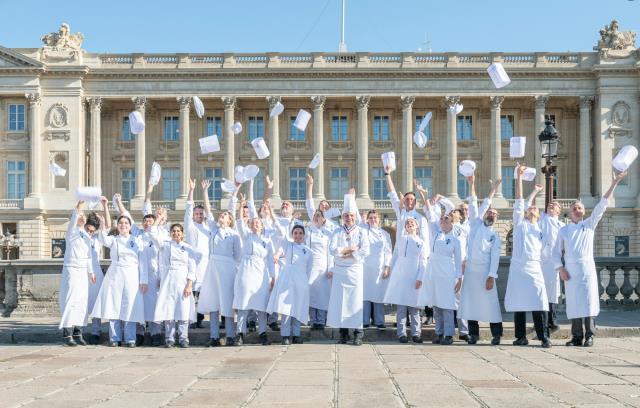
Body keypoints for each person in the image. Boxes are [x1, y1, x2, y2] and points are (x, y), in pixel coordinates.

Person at [555, 170, 628, 347]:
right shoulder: (563, 231)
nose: (577, 210)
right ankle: (576, 336)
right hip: (571, 270)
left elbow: (602, 204)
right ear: (570, 212)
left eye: (580, 208)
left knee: (588, 301)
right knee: (574, 303)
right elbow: (556, 253)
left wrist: (614, 183)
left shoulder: (589, 224)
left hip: (586, 268)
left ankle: (589, 335)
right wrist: (561, 268)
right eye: (574, 208)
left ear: (584, 211)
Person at [504, 165, 551, 348]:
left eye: (535, 209)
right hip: (518, 266)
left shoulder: (540, 229)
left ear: (538, 215)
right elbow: (519, 201)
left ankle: (543, 336)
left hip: (534, 266)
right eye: (529, 208)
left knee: (539, 302)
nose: (531, 209)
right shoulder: (519, 225)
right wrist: (519, 179)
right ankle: (520, 336)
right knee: (519, 303)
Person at [458, 175, 504, 345]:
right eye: (490, 212)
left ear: (496, 219)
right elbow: (477, 202)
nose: (491, 214)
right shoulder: (475, 224)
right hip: (471, 271)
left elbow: (495, 258)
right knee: (470, 304)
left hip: (485, 272)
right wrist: (473, 184)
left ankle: (497, 334)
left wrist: (491, 276)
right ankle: (474, 334)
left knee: (491, 305)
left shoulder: (495, 236)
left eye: (494, 214)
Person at [90, 210, 146, 347]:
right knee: (113, 305)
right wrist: (103, 224)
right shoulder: (114, 240)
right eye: (120, 223)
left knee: (130, 305)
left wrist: (144, 280)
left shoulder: (137, 240)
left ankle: (130, 338)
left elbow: (143, 262)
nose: (123, 225)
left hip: (132, 274)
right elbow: (103, 239)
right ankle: (114, 337)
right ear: (117, 226)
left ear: (130, 225)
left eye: (126, 223)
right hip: (115, 274)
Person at [197, 180, 241, 347]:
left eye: (225, 215)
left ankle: (230, 335)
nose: (221, 216)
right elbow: (208, 212)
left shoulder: (234, 235)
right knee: (214, 302)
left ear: (229, 220)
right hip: (214, 267)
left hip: (228, 268)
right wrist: (205, 192)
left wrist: (235, 192)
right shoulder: (214, 230)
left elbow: (237, 256)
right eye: (221, 215)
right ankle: (214, 336)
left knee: (228, 302)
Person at [233, 178, 277, 346]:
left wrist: (273, 277)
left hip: (261, 273)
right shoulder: (246, 236)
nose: (256, 224)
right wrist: (241, 205)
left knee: (261, 305)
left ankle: (263, 332)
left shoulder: (267, 240)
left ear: (262, 225)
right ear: (250, 225)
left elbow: (271, 261)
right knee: (243, 303)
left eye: (258, 222)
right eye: (253, 223)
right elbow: (238, 223)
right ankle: (240, 333)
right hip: (246, 270)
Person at [149, 209, 201, 348]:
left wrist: (189, 284)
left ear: (182, 234)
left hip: (183, 280)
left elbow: (192, 267)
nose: (176, 233)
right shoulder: (165, 245)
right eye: (174, 231)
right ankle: (170, 337)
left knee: (183, 309)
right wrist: (159, 219)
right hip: (168, 280)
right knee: (169, 309)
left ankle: (183, 337)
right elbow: (152, 233)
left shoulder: (188, 248)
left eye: (179, 231)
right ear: (170, 233)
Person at [418, 190, 463, 345]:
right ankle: (439, 332)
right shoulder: (436, 234)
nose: (442, 221)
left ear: (451, 222)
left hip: (448, 274)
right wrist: (424, 196)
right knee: (436, 305)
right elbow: (430, 214)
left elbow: (458, 261)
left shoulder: (455, 240)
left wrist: (459, 279)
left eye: (446, 219)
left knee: (448, 305)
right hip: (434, 273)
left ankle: (449, 334)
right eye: (442, 220)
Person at [327, 192, 370, 345]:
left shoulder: (361, 231)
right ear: (342, 217)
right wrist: (349, 249)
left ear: (355, 216)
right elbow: (332, 249)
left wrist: (349, 252)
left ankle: (358, 333)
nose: (349, 218)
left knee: (355, 301)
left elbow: (365, 250)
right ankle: (343, 333)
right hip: (340, 270)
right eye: (346, 215)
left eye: (351, 215)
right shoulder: (337, 231)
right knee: (340, 302)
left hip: (355, 270)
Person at [59, 200, 101, 346]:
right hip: (71, 268)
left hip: (83, 271)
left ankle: (78, 332)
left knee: (82, 302)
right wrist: (79, 208)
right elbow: (73, 221)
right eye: (88, 229)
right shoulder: (72, 233)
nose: (90, 232)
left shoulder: (86, 237)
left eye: (92, 230)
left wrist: (91, 272)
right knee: (70, 299)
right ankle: (67, 333)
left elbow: (88, 256)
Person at [526, 187, 565, 332]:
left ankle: (552, 321)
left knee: (552, 293)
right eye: (550, 204)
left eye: (554, 205)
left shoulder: (562, 226)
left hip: (554, 263)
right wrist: (535, 191)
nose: (551, 205)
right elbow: (529, 208)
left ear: (559, 211)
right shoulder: (541, 219)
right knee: (539, 291)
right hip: (540, 261)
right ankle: (542, 322)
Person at [268, 225, 313, 345]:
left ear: (304, 235)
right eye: (295, 233)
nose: (298, 235)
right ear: (292, 235)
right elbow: (280, 231)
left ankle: (297, 334)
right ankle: (285, 335)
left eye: (300, 233)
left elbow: (309, 268)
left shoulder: (308, 251)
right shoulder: (288, 245)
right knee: (286, 309)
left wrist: (304, 281)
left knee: (298, 307)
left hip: (301, 280)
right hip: (287, 279)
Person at [384, 217, 426, 343]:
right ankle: (401, 333)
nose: (410, 224)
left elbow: (423, 261)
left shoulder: (422, 242)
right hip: (401, 275)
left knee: (414, 308)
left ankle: (416, 334)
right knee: (401, 307)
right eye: (408, 223)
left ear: (417, 226)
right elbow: (395, 255)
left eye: (412, 223)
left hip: (414, 275)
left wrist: (420, 278)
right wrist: (390, 269)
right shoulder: (401, 239)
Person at [184, 178, 211, 328]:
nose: (199, 215)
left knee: (202, 295)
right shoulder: (190, 226)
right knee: (193, 294)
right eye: (197, 213)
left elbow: (209, 212)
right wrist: (192, 190)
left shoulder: (208, 228)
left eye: (201, 213)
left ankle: (199, 318)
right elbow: (188, 208)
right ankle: (191, 319)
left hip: (206, 264)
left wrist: (205, 191)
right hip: (193, 263)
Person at [361, 210, 392, 329]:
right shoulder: (363, 232)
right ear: (367, 220)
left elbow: (388, 252)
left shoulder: (385, 234)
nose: (373, 220)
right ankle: (364, 321)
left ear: (379, 219)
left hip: (379, 267)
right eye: (371, 218)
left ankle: (379, 321)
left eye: (375, 218)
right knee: (365, 295)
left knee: (378, 295)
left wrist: (387, 267)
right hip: (365, 268)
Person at [305, 209, 333, 330]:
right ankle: (312, 320)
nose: (317, 218)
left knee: (322, 295)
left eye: (319, 216)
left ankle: (321, 320)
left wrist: (330, 268)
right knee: (311, 294)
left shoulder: (328, 233)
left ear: (323, 218)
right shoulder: (307, 231)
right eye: (315, 216)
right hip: (311, 266)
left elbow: (330, 253)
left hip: (323, 266)